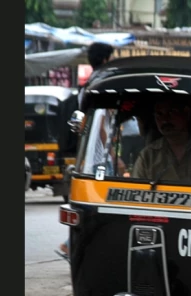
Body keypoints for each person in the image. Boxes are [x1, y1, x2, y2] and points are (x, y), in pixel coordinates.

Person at [57, 42, 114, 261]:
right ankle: (71, 245)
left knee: (94, 203)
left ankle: (73, 245)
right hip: (100, 156)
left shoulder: (88, 85)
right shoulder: (103, 83)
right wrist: (110, 154)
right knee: (102, 204)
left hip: (90, 154)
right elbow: (101, 125)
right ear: (105, 60)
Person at [131, 100, 191, 182]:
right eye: (159, 114)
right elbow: (135, 191)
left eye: (171, 112)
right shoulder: (148, 155)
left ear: (186, 113)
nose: (165, 119)